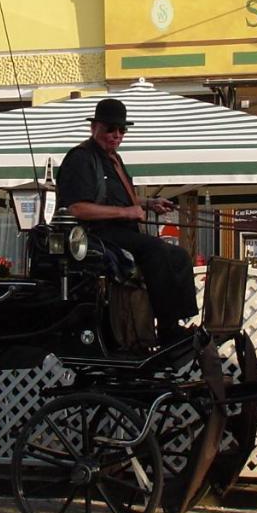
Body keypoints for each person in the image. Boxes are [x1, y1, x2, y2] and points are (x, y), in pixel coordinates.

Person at [55, 97, 197, 345]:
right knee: (154, 249)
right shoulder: (81, 158)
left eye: (121, 130)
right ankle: (166, 330)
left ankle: (173, 324)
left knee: (180, 257)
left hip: (122, 232)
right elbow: (77, 208)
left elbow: (120, 200)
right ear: (94, 127)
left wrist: (148, 203)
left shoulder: (114, 160)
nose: (116, 135)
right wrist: (128, 213)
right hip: (96, 236)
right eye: (110, 129)